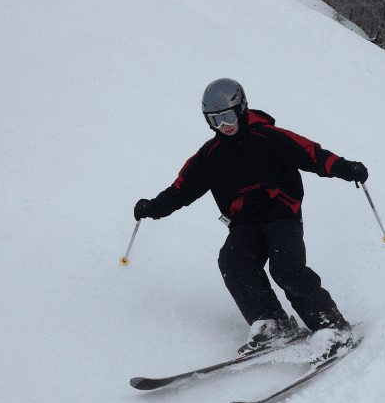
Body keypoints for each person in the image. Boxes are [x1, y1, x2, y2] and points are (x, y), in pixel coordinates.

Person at [134, 79, 368, 359]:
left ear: (242, 109)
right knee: (233, 261)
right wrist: (153, 207)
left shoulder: (270, 137)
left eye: (229, 117)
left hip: (282, 214)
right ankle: (272, 323)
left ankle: (331, 326)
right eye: (215, 120)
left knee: (286, 268)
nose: (224, 125)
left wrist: (346, 168)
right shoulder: (209, 156)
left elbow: (312, 155)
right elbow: (181, 190)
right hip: (244, 224)